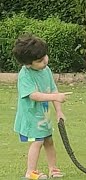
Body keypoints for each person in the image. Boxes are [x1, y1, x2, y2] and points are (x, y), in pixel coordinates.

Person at [12, 33, 72, 179]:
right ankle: (30, 172)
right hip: (30, 117)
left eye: (45, 57)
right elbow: (33, 95)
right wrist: (55, 97)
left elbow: (53, 89)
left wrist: (59, 111)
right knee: (37, 142)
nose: (45, 61)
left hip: (43, 116)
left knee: (49, 141)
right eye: (39, 60)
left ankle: (53, 168)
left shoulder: (46, 70)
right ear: (28, 64)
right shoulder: (25, 75)